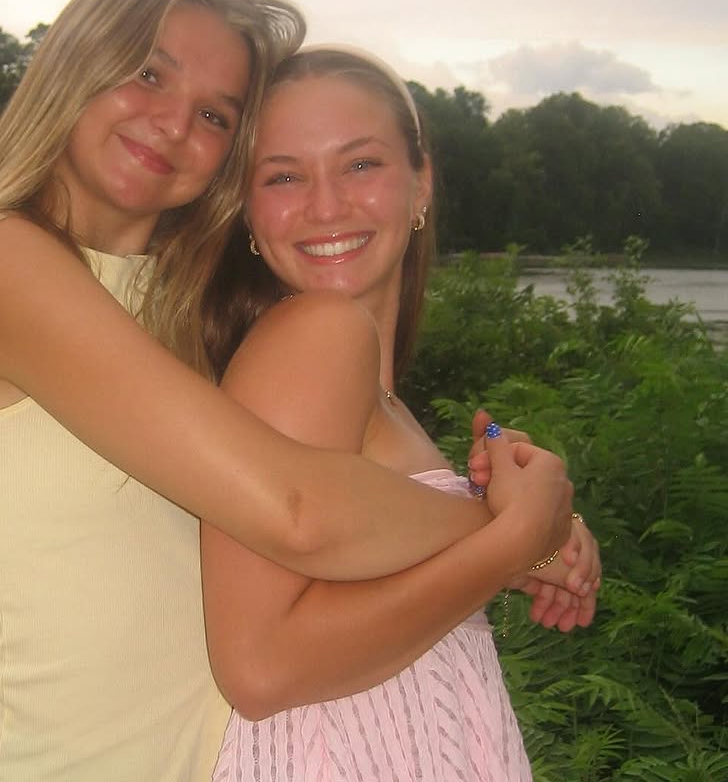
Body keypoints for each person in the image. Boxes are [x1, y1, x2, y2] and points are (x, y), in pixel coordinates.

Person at [0, 0, 582, 781]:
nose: (173, 123)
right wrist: (516, 528)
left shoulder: (178, 316)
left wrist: (522, 527)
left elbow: (317, 524)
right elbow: (298, 510)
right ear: (73, 64)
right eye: (148, 74)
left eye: (213, 114)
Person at [202, 46, 597, 781]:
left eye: (360, 164)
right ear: (247, 212)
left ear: (422, 184)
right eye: (283, 176)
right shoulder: (317, 337)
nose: (326, 205)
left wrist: (537, 538)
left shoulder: (379, 395)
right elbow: (259, 667)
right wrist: (512, 540)